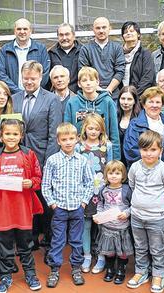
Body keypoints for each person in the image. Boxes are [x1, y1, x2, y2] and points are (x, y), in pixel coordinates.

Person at [0, 119, 44, 293]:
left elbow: (38, 179)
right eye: (7, 134)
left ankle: (30, 274)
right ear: (1, 136)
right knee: (4, 246)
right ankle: (5, 277)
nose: (11, 137)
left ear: (21, 136)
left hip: (23, 209)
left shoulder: (28, 154)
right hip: (2, 209)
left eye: (15, 134)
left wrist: (30, 183)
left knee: (26, 245)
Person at [12, 61, 62, 249]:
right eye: (26, 78)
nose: (29, 82)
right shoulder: (14, 98)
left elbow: (53, 133)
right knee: (24, 199)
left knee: (44, 199)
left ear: (40, 78)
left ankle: (48, 238)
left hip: (42, 155)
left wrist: (47, 161)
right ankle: (29, 238)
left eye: (33, 78)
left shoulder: (51, 99)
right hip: (19, 157)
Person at [42, 122, 95, 288]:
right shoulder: (52, 160)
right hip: (59, 209)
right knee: (57, 240)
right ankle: (55, 269)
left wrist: (84, 203)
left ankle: (76, 268)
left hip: (77, 208)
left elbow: (89, 183)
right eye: (64, 139)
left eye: (71, 138)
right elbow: (45, 185)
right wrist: (52, 204)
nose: (68, 142)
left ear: (77, 139)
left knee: (76, 240)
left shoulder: (82, 160)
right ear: (58, 141)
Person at [126, 130, 164, 293]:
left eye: (153, 150)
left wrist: (160, 209)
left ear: (161, 151)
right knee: (140, 247)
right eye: (145, 149)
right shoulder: (134, 167)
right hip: (137, 217)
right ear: (140, 150)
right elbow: (133, 186)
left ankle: (158, 274)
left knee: (156, 248)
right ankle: (141, 272)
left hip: (157, 218)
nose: (148, 153)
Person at [75, 113, 113, 275]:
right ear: (85, 128)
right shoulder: (79, 146)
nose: (93, 131)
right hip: (85, 192)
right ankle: (87, 255)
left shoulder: (107, 146)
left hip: (102, 192)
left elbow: (111, 168)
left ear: (101, 130)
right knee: (86, 225)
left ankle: (102, 256)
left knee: (102, 225)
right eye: (90, 128)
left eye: (96, 129)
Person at [123, 86, 164, 173]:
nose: (154, 105)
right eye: (151, 102)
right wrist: (154, 169)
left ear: (162, 105)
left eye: (158, 102)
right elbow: (131, 151)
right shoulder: (135, 125)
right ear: (144, 104)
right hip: (144, 176)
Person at [64, 67, 121, 160]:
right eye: (84, 80)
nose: (88, 83)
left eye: (91, 80)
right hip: (78, 153)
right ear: (79, 83)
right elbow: (67, 131)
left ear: (97, 82)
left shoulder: (107, 102)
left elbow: (114, 133)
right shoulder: (72, 102)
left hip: (102, 153)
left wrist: (116, 160)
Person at [94, 160, 133, 285]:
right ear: (106, 175)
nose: (114, 176)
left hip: (122, 227)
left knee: (122, 251)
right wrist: (99, 214)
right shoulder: (103, 190)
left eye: (117, 173)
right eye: (111, 173)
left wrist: (126, 213)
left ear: (123, 175)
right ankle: (110, 269)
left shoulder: (126, 190)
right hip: (107, 227)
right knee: (109, 251)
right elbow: (100, 203)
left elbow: (133, 205)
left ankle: (121, 269)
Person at [0, 18, 50, 94]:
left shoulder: (41, 49)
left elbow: (45, 72)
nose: (22, 32)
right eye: (19, 29)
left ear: (30, 31)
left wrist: (33, 90)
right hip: (12, 96)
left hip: (37, 96)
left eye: (25, 29)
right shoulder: (4, 50)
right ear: (14, 31)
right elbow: (1, 74)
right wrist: (18, 92)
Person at [79, 17, 125, 98]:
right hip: (92, 95)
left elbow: (120, 72)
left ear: (109, 29)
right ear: (93, 30)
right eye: (98, 28)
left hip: (113, 95)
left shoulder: (117, 48)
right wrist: (98, 89)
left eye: (104, 27)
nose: (101, 31)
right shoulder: (86, 49)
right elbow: (83, 72)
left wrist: (109, 90)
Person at [120, 21, 155, 99]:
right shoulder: (118, 54)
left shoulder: (145, 54)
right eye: (125, 32)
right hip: (122, 98)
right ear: (123, 36)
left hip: (140, 98)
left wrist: (134, 96)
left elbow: (147, 78)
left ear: (138, 34)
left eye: (132, 31)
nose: (128, 33)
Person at [48, 23, 82, 93]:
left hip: (79, 96)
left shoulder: (83, 51)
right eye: (61, 35)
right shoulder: (51, 53)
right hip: (58, 96)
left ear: (74, 36)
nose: (64, 38)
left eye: (67, 34)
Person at [117, 86, 142, 167]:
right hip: (117, 161)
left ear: (135, 101)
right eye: (123, 98)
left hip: (133, 161)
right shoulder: (114, 117)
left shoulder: (140, 119)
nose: (125, 102)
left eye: (129, 99)